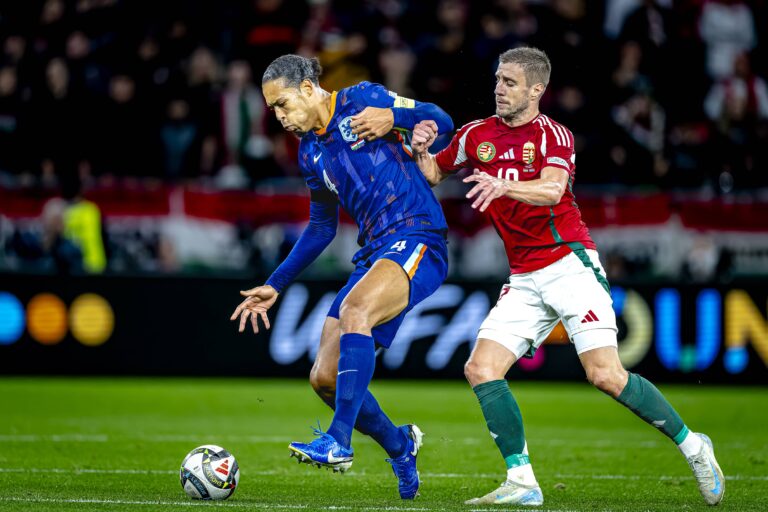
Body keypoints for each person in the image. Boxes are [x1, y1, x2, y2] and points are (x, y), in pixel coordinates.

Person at [410, 47, 724, 506]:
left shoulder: (553, 135)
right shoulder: (477, 134)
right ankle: (522, 481)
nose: (499, 88)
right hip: (523, 275)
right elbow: (436, 172)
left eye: (510, 82)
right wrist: (420, 150)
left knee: (605, 375)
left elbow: (554, 188)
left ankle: (694, 446)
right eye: (498, 79)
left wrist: (504, 185)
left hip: (569, 264)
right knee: (480, 368)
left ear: (537, 90)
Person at [230, 54, 453, 499]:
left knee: (355, 310)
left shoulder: (363, 99)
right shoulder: (310, 152)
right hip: (374, 252)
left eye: (283, 104)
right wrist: (275, 283)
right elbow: (320, 228)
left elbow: (441, 120)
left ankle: (339, 441)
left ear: (310, 89)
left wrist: (394, 116)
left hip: (417, 235)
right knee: (323, 378)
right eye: (273, 110)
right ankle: (400, 444)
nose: (279, 117)